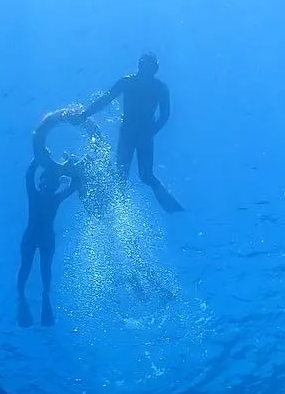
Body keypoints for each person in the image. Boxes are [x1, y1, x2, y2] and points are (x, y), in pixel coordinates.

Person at [78, 52, 184, 213]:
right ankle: (118, 212)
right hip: (130, 134)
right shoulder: (129, 83)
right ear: (141, 66)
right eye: (147, 65)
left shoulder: (159, 88)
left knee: (145, 175)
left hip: (141, 135)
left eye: (152, 66)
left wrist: (151, 132)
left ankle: (171, 208)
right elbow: (106, 99)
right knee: (123, 177)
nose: (149, 69)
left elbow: (165, 115)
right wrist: (85, 114)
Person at [16, 161, 78, 327]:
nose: (48, 184)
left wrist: (39, 159)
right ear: (42, 182)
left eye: (52, 182)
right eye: (47, 180)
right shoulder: (53, 197)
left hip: (35, 237)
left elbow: (29, 176)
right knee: (33, 267)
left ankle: (34, 296)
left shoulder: (41, 195)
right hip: (42, 238)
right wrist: (71, 169)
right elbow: (74, 185)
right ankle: (29, 296)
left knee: (38, 268)